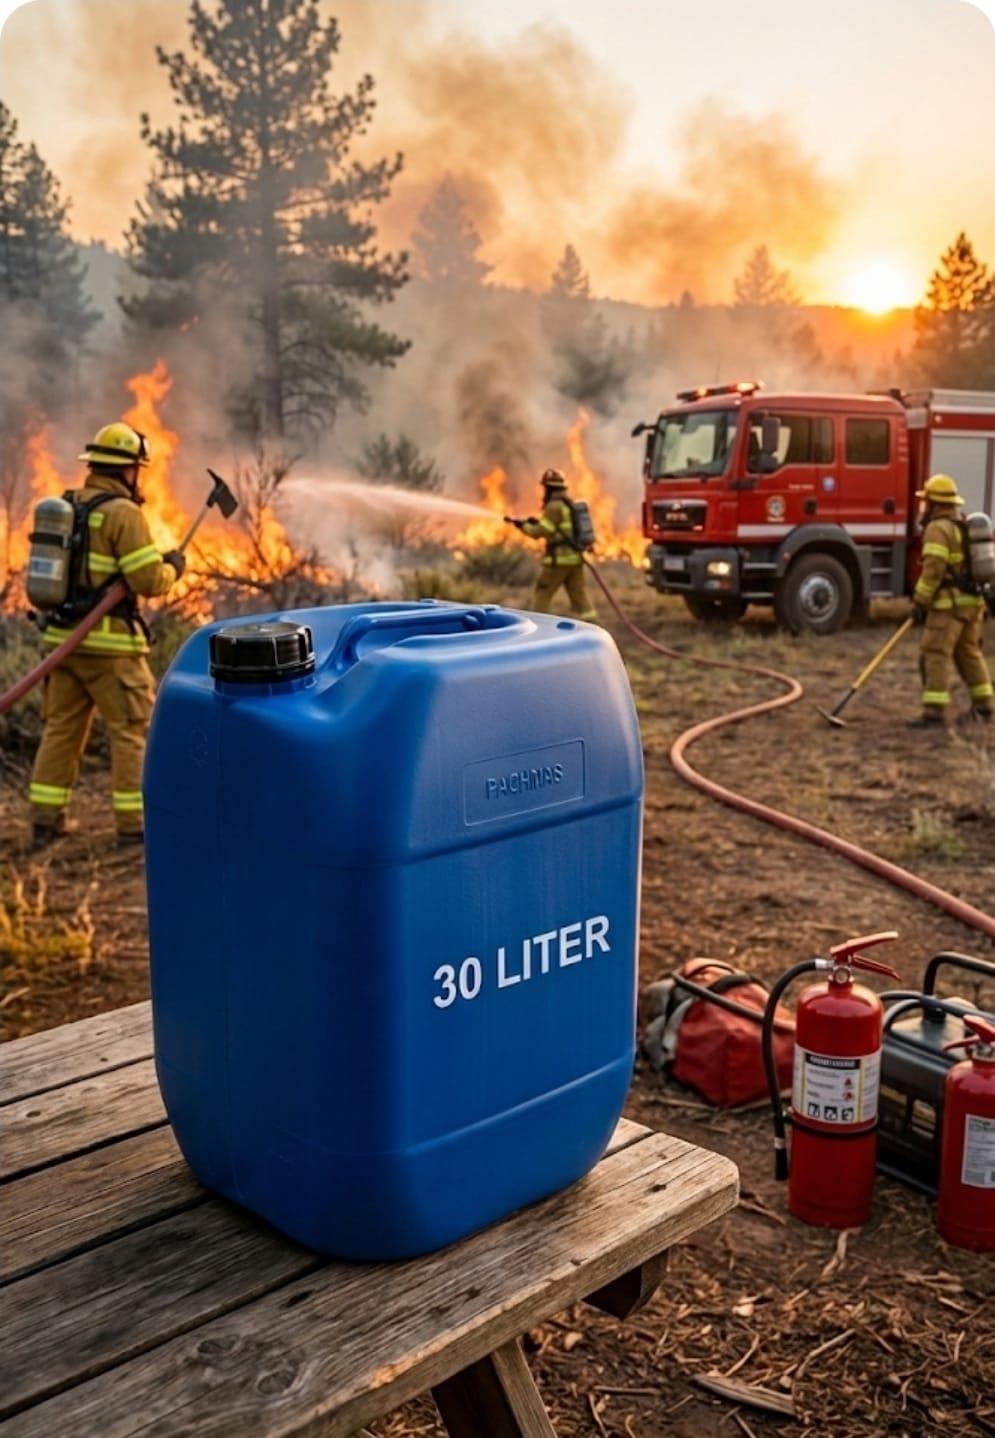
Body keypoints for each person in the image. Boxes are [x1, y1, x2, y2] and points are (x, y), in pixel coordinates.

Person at [28, 421, 185, 847]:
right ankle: (134, 828)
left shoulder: (69, 505)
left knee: (60, 730)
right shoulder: (123, 514)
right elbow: (147, 580)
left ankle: (44, 822)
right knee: (131, 731)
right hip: (110, 649)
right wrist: (172, 568)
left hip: (63, 644)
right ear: (127, 470)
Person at [909, 472, 993, 728]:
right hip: (972, 604)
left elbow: (934, 569)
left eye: (926, 502)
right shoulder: (963, 524)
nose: (924, 507)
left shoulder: (938, 529)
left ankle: (933, 712)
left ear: (934, 504)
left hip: (948, 606)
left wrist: (920, 602)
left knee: (935, 653)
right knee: (969, 654)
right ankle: (984, 706)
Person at [506, 468, 596, 621]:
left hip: (559, 562)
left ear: (549, 488)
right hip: (575, 560)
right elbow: (557, 527)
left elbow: (541, 532)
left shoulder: (553, 506)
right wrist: (535, 522)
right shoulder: (567, 504)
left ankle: (539, 624)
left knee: (543, 591)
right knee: (579, 596)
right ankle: (593, 623)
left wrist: (523, 526)